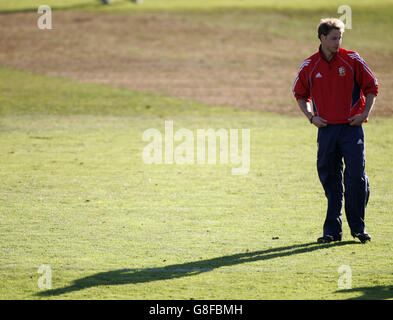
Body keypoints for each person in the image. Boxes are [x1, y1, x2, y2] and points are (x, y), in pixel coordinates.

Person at [292, 18, 378, 243]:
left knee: (356, 178)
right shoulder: (309, 66)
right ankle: (331, 232)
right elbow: (300, 95)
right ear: (321, 37)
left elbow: (372, 88)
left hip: (352, 130)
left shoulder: (352, 59)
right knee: (331, 180)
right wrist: (311, 117)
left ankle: (358, 228)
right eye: (333, 38)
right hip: (327, 131)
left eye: (340, 37)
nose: (337, 42)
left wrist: (364, 114)